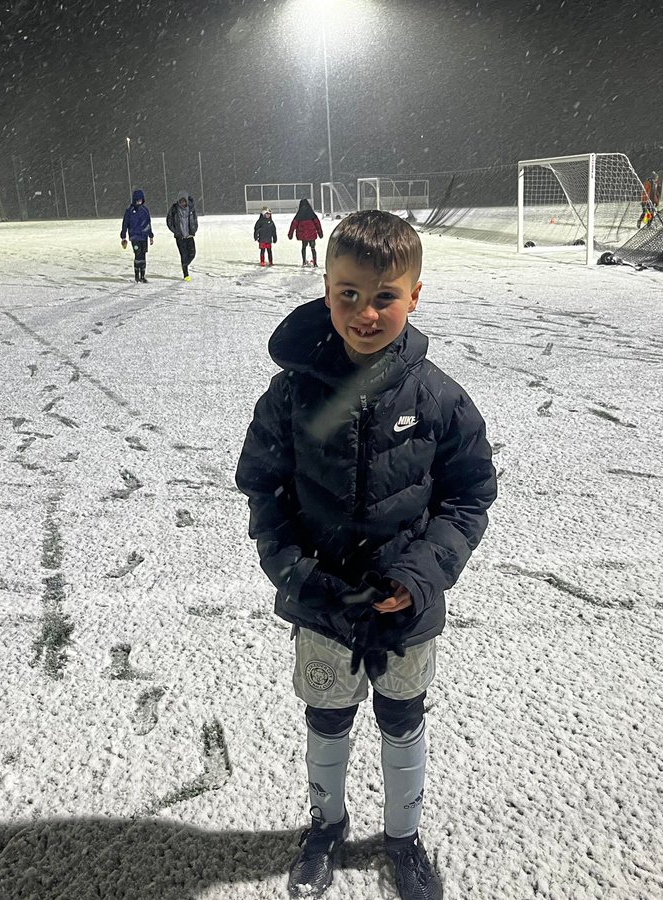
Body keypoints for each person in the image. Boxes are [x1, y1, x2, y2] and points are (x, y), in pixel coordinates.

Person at [235, 210, 497, 900]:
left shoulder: (438, 397)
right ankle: (326, 827)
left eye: (385, 296)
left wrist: (421, 574)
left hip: (404, 609)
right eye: (349, 293)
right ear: (326, 290)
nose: (366, 312)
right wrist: (297, 574)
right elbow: (263, 487)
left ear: (415, 295)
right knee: (327, 718)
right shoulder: (291, 392)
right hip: (323, 604)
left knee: (403, 718)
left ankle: (403, 839)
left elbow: (470, 495)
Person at [119, 189, 154, 283]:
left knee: (143, 255)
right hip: (135, 237)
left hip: (144, 237)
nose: (139, 202)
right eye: (137, 200)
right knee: (138, 255)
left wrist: (150, 235)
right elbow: (125, 223)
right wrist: (123, 236)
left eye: (140, 200)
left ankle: (142, 276)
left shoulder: (145, 210)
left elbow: (148, 224)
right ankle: (136, 276)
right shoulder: (129, 211)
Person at [165, 191, 198, 281]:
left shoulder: (191, 209)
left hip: (189, 236)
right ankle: (186, 274)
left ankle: (185, 264)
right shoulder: (174, 209)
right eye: (181, 201)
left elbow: (195, 220)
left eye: (184, 201)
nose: (183, 203)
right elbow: (169, 221)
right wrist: (175, 231)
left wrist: (194, 229)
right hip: (180, 237)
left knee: (192, 254)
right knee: (183, 255)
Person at [288, 198, 324, 267]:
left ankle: (304, 261)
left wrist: (290, 234)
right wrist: (320, 234)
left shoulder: (299, 214)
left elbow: (293, 224)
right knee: (313, 248)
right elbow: (317, 224)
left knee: (304, 247)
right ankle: (315, 263)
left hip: (303, 235)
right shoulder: (312, 214)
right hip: (312, 234)